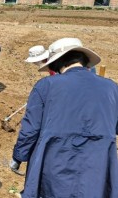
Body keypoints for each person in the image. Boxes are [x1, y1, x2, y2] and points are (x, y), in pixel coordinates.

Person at [10, 38, 118, 198]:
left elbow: (31, 129)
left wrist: (19, 156)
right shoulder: (111, 87)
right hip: (98, 167)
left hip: (55, 164)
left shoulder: (45, 86)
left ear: (57, 62)